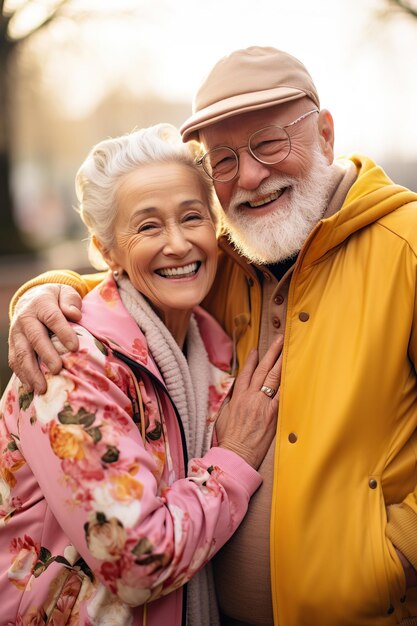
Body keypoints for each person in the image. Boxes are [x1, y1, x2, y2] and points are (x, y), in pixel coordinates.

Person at [6, 45, 417, 626]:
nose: (250, 174)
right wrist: (44, 292)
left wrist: (392, 556)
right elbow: (134, 277)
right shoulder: (230, 258)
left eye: (270, 143)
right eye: (223, 159)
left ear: (325, 135)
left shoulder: (406, 249)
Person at [0, 122, 283, 626]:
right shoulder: (68, 359)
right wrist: (234, 457)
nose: (178, 244)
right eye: (148, 227)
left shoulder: (216, 347)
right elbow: (137, 564)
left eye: (192, 217)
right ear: (106, 251)